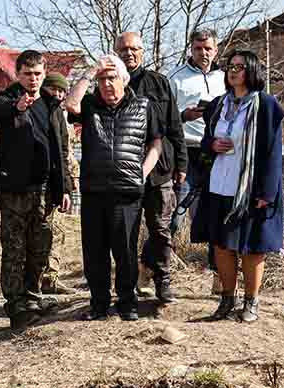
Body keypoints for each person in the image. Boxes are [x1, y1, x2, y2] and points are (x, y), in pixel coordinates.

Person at [65, 55, 164, 321]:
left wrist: (142, 173)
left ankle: (127, 302)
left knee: (126, 252)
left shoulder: (144, 106)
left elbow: (156, 144)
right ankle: (99, 304)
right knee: (95, 252)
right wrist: (89, 72)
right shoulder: (89, 105)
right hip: (94, 191)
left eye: (111, 78)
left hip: (127, 192)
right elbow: (70, 104)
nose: (106, 84)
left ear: (124, 80)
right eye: (101, 79)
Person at [192, 51, 284, 324]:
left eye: (239, 67)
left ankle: (251, 303)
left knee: (252, 247)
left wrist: (267, 193)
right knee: (221, 245)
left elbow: (273, 152)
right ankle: (226, 300)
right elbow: (205, 141)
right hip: (219, 184)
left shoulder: (266, 105)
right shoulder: (218, 105)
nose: (233, 71)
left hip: (251, 189)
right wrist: (212, 144)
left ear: (252, 70)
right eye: (230, 67)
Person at [0, 50, 73, 329]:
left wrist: (64, 187)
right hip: (15, 191)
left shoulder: (51, 104)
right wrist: (18, 107)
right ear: (18, 74)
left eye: (37, 74)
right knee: (15, 249)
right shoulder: (8, 99)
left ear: (44, 73)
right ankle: (16, 304)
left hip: (45, 191)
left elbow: (60, 149)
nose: (33, 79)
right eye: (27, 74)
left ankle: (33, 297)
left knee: (40, 248)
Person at [114, 32, 187, 306]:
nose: (129, 53)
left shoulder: (159, 82)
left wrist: (182, 163)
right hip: (124, 171)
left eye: (134, 49)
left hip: (160, 171)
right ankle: (128, 286)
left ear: (142, 51)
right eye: (123, 49)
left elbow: (175, 125)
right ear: (116, 52)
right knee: (126, 234)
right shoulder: (110, 84)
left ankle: (162, 281)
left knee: (161, 229)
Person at [168, 28, 226, 292]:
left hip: (217, 153)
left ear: (216, 49)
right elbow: (163, 117)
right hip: (186, 152)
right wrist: (183, 116)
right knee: (175, 214)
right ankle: (152, 269)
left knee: (217, 214)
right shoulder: (175, 78)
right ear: (191, 49)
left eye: (208, 48)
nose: (203, 53)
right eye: (198, 48)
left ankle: (219, 275)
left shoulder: (226, 78)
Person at [39, 72, 78, 296]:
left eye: (62, 90)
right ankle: (41, 279)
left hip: (63, 182)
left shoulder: (62, 115)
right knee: (47, 233)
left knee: (59, 232)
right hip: (47, 184)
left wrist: (70, 182)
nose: (58, 94)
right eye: (54, 89)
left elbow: (67, 153)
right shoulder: (43, 112)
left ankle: (51, 277)